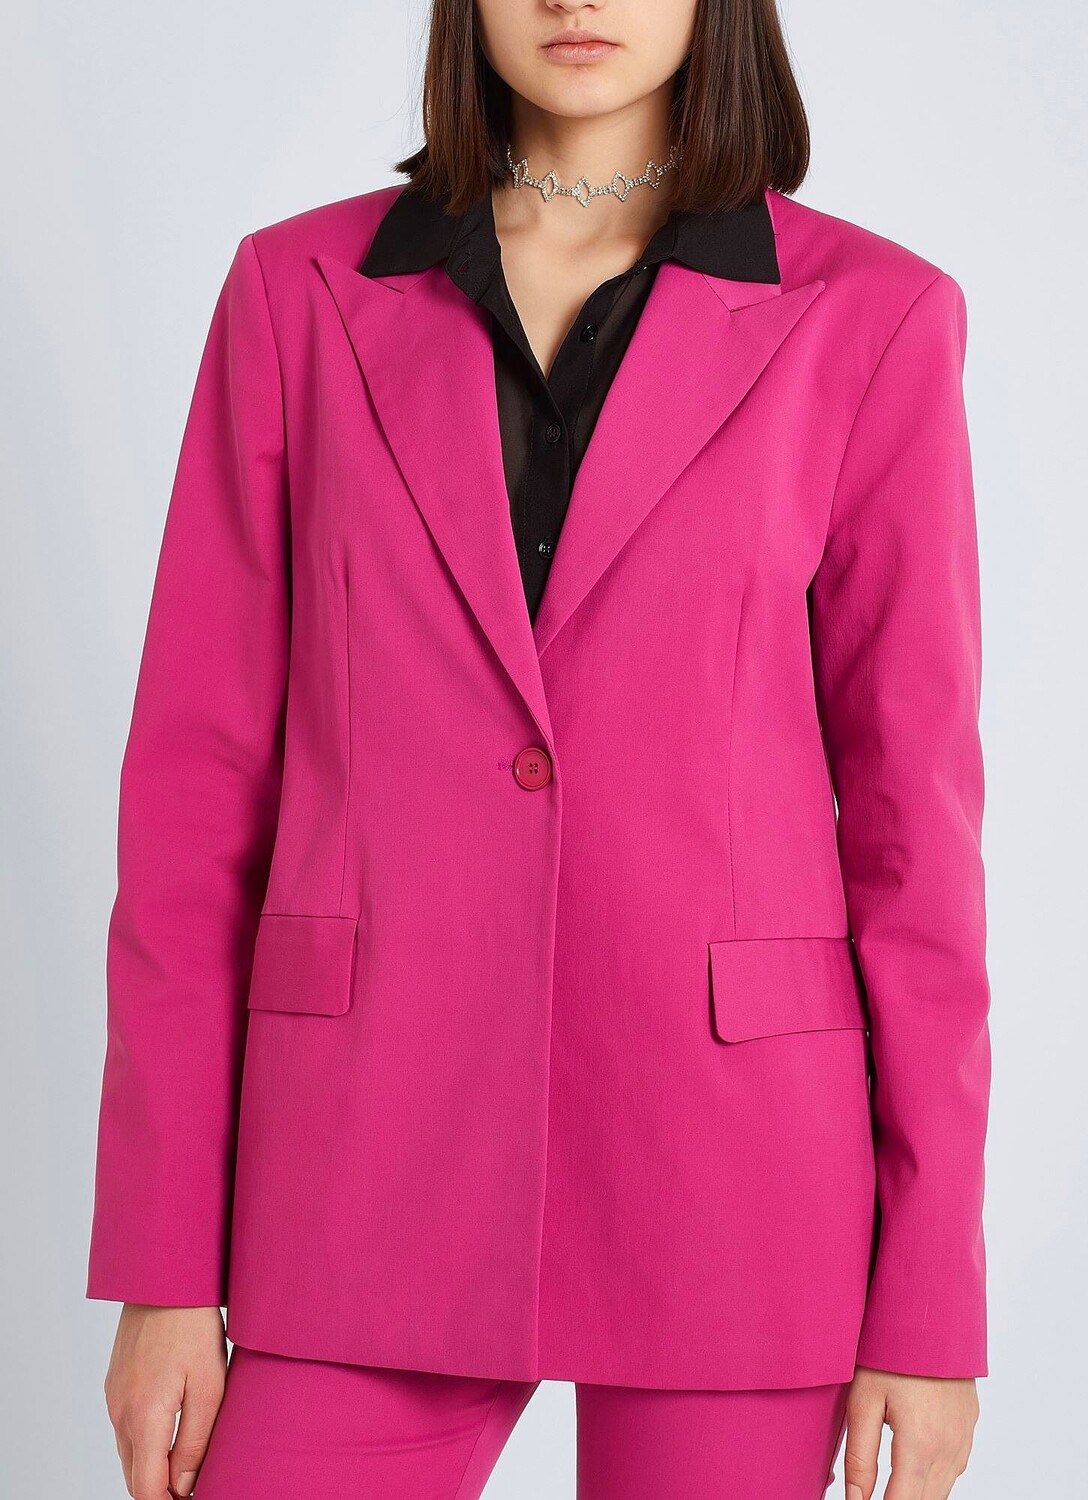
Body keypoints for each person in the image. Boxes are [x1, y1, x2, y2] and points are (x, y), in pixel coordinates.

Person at [87, 2, 991, 1497]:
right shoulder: (296, 293)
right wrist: (163, 1266)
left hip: (733, 1173)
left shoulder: (874, 317)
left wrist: (930, 1304)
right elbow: (193, 804)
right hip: (360, 1154)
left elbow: (915, 833)